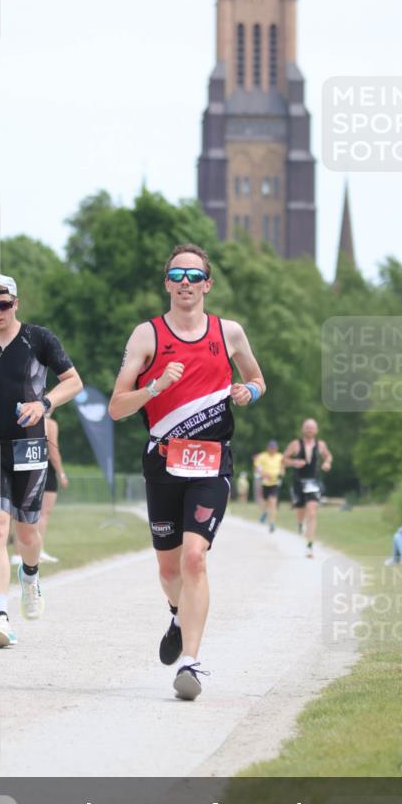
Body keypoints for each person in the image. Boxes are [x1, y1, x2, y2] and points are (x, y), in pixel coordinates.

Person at [108, 244, 266, 700]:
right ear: (166, 283)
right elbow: (118, 406)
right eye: (176, 275)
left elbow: (258, 380)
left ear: (207, 285)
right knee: (169, 565)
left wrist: (247, 393)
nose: (185, 283)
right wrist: (156, 386)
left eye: (194, 276)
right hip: (162, 459)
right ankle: (177, 612)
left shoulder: (229, 332)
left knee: (196, 557)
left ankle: (191, 665)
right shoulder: (146, 336)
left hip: (212, 460)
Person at [0, 274, 83, 647]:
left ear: (16, 303)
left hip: (29, 443)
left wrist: (43, 404)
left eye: (5, 304)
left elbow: (74, 381)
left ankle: (30, 574)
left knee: (26, 532)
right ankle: (0, 615)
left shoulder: (38, 338)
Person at [283, 419, 333, 558]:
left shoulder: (321, 445)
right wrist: (294, 462)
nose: (310, 430)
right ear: (303, 429)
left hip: (314, 483)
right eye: (307, 427)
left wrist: (327, 463)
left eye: (312, 428)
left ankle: (309, 546)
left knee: (312, 511)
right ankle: (299, 524)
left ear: (316, 430)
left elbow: (328, 456)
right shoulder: (295, 444)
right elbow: (283, 459)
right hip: (299, 482)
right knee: (300, 511)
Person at [38, 411, 69, 563]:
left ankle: (19, 553)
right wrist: (61, 474)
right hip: (45, 468)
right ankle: (39, 550)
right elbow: (53, 451)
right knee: (43, 513)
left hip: (27, 465)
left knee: (24, 513)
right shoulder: (50, 423)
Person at [254, 440, 284, 533]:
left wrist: (281, 473)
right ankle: (264, 512)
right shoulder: (263, 456)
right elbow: (257, 467)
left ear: (276, 448)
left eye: (274, 448)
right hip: (265, 482)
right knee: (265, 501)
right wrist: (263, 474)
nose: (272, 449)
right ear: (268, 448)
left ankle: (272, 523)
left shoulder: (280, 457)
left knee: (273, 502)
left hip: (274, 483)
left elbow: (283, 468)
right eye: (271, 448)